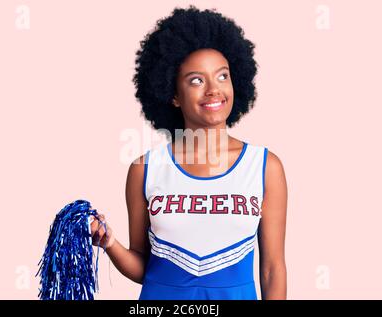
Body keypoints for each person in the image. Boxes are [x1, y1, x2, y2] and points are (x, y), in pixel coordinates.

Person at [90, 5, 288, 300]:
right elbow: (145, 267)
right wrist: (109, 243)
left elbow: (272, 269)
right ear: (172, 94)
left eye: (222, 76)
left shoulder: (264, 167)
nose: (213, 90)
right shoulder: (144, 169)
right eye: (196, 80)